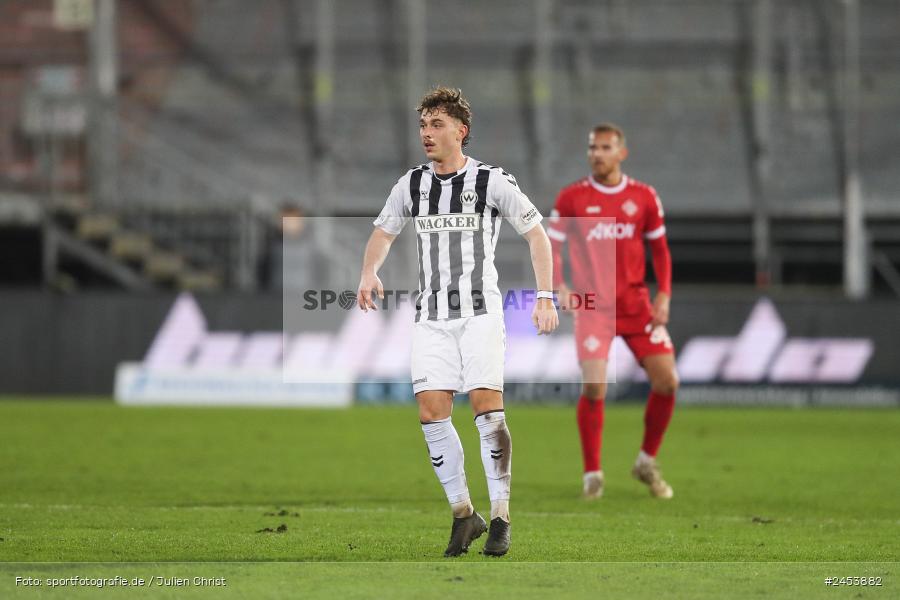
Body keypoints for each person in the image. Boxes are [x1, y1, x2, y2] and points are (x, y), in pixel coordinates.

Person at [357, 87, 558, 557]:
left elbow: (537, 236)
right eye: (423, 125)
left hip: (479, 315)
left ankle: (502, 515)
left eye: (437, 125)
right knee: (431, 412)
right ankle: (464, 514)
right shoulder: (411, 185)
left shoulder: (491, 181)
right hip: (431, 318)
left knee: (487, 409)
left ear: (461, 131)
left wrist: (545, 296)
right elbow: (383, 233)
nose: (426, 134)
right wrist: (368, 272)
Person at [548, 123, 679, 500]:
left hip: (636, 306)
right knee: (594, 387)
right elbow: (551, 247)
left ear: (622, 153)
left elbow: (661, 251)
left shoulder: (643, 197)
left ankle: (646, 462)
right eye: (593, 147)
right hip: (593, 307)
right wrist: (559, 286)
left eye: (605, 148)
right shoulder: (572, 198)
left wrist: (664, 294)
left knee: (668, 382)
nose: (597, 154)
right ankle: (592, 474)